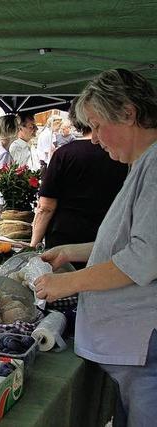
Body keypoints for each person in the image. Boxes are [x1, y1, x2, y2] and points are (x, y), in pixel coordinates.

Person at [34, 69, 157, 426]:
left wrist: (68, 283)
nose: (94, 138)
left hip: (145, 344)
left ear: (129, 112)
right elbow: (132, 242)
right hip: (134, 351)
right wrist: (73, 251)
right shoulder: (142, 163)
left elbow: (144, 258)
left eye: (98, 125)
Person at [30, 103, 127, 267]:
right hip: (107, 236)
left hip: (65, 238)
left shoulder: (64, 154)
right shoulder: (122, 155)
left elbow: (46, 207)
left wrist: (33, 244)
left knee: (64, 288)